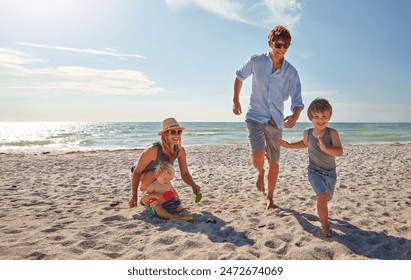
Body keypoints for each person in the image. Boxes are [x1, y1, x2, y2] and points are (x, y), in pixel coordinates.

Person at [233, 25, 304, 209]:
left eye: (286, 45)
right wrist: (235, 100)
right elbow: (240, 77)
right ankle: (259, 171)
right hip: (255, 116)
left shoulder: (291, 72)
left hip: (275, 120)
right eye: (278, 44)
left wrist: (295, 115)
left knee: (274, 162)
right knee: (257, 156)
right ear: (269, 42)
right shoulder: (256, 61)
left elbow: (298, 100)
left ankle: (270, 197)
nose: (282, 49)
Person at [278, 98, 343, 237]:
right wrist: (289, 145)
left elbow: (339, 152)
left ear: (329, 117)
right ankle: (325, 226)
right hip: (314, 171)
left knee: (327, 198)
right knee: (322, 196)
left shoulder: (332, 133)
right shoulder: (307, 133)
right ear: (310, 118)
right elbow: (305, 143)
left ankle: (321, 207)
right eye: (317, 117)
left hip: (330, 173)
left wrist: (326, 148)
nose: (320, 120)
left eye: (324, 116)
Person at [128, 117, 201, 208]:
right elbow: (137, 172)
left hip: (161, 177)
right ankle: (145, 194)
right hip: (143, 178)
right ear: (165, 134)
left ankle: (152, 197)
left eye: (179, 132)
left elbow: (185, 173)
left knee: (174, 201)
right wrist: (134, 196)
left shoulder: (180, 150)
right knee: (160, 170)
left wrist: (193, 185)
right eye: (173, 132)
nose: (177, 135)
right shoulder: (153, 149)